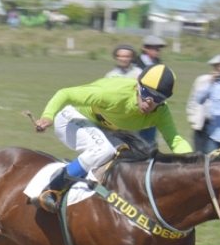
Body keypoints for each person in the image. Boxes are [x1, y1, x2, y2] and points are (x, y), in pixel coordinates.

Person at [33, 64, 193, 213]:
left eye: (158, 99)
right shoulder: (114, 93)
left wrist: (194, 163)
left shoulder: (161, 112)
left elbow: (175, 140)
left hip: (101, 129)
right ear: (137, 84)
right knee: (104, 150)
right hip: (71, 118)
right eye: (146, 93)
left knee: (133, 157)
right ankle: (53, 187)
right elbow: (65, 93)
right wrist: (48, 116)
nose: (148, 103)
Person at [186, 55, 220, 153]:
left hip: (218, 126)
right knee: (199, 154)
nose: (219, 69)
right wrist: (193, 118)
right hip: (202, 124)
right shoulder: (202, 80)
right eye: (217, 66)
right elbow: (193, 100)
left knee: (215, 156)